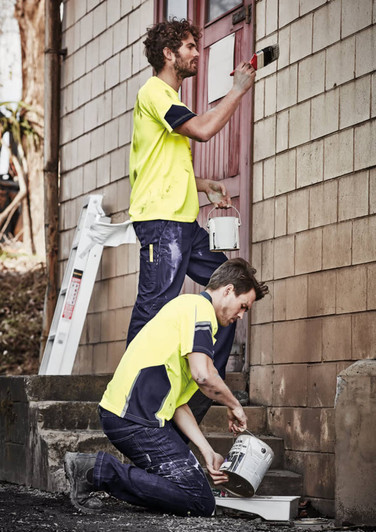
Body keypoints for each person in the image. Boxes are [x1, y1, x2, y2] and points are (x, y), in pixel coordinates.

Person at [64, 259, 268, 517]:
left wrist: (207, 452)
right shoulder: (199, 310)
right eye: (243, 307)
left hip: (134, 417)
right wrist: (234, 405)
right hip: (134, 419)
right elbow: (204, 375)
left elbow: (177, 405)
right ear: (227, 290)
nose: (240, 315)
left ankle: (100, 472)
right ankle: (96, 470)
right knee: (198, 500)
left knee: (194, 492)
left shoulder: (188, 309)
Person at [126, 19, 256, 395]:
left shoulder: (170, 99)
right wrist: (238, 90)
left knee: (230, 284)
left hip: (182, 224)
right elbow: (202, 130)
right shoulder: (155, 92)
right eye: (189, 46)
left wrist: (204, 186)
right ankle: (135, 392)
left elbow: (160, 166)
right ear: (169, 54)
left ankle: (204, 386)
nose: (197, 53)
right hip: (160, 223)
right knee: (155, 305)